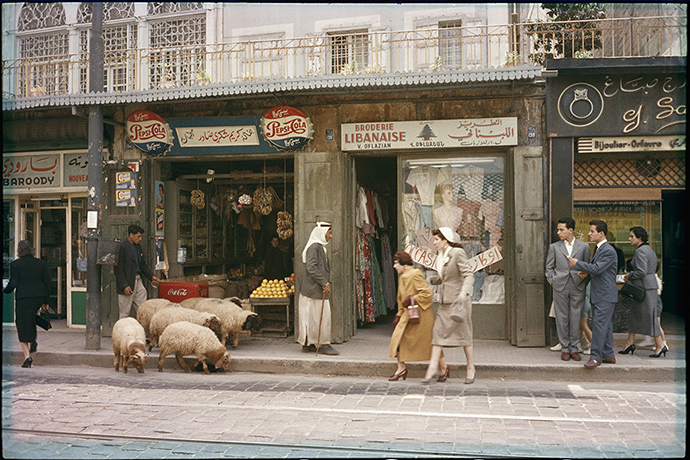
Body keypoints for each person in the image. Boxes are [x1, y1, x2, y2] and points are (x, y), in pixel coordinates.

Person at [422, 227, 475, 384]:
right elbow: (447, 277)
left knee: (465, 336)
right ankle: (432, 368)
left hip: (459, 302)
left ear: (445, 240)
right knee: (437, 334)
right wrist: (434, 280)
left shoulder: (457, 253)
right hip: (445, 303)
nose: (434, 242)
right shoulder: (441, 255)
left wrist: (463, 293)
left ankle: (470, 367)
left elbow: (468, 275)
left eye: (437, 239)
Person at [568, 220, 618, 369]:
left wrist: (577, 263)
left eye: (592, 231)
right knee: (605, 325)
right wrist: (586, 273)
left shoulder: (607, 250)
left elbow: (596, 268)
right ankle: (608, 354)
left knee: (599, 326)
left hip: (605, 294)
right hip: (602, 294)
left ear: (601, 233)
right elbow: (599, 271)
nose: (589, 234)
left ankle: (596, 357)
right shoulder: (600, 249)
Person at [545, 218, 590, 361]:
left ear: (570, 230)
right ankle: (565, 348)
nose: (558, 232)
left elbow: (588, 267)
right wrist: (553, 281)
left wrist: (583, 280)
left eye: (561, 229)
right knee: (561, 317)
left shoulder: (583, 247)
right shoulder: (554, 247)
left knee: (576, 317)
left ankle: (574, 348)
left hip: (577, 285)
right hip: (560, 285)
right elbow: (549, 268)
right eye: (558, 229)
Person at [619, 227, 667, 358]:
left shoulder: (640, 251)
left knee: (650, 317)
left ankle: (660, 345)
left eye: (632, 236)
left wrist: (629, 275)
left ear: (639, 238)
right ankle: (629, 343)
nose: (629, 239)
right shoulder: (649, 249)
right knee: (635, 315)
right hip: (647, 287)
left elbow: (641, 271)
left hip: (643, 288)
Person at [3, 240, 51, 368]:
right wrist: (46, 301)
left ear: (19, 251)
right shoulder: (40, 263)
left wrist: (5, 290)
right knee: (30, 317)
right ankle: (33, 340)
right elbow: (47, 282)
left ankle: (27, 356)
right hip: (39, 295)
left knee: (22, 323)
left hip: (24, 297)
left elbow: (13, 283)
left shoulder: (15, 264)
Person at [387, 251, 434, 381]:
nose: (394, 266)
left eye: (396, 263)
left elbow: (427, 294)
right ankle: (401, 368)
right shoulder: (403, 276)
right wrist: (398, 314)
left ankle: (443, 367)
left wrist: (412, 298)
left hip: (420, 315)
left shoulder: (414, 274)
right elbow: (400, 299)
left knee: (427, 344)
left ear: (404, 264)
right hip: (407, 314)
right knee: (398, 339)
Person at [298, 222, 338, 355]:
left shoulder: (319, 247)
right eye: (329, 233)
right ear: (322, 233)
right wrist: (324, 282)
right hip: (312, 290)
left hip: (314, 289)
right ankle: (323, 344)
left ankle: (309, 343)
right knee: (320, 317)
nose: (331, 236)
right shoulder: (314, 247)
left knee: (311, 317)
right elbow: (311, 267)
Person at [115, 224, 160, 320]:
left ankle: (143, 330)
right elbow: (118, 269)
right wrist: (124, 285)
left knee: (143, 308)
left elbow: (142, 264)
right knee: (124, 312)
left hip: (138, 280)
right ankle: (121, 332)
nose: (140, 239)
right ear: (131, 235)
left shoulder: (138, 247)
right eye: (138, 236)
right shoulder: (122, 247)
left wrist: (151, 276)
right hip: (127, 282)